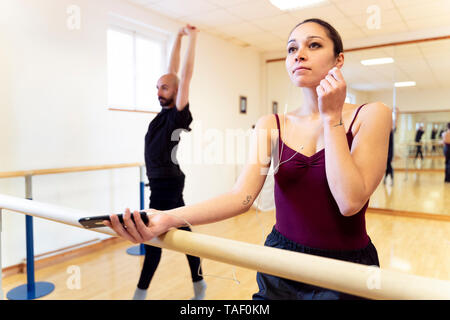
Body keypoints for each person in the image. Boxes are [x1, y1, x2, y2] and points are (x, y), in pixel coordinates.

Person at [105, 18, 392, 300]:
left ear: (338, 60)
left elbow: (349, 202)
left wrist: (331, 118)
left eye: (313, 45)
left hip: (346, 269)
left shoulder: (371, 114)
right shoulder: (271, 123)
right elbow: (241, 196)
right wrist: (168, 218)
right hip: (280, 262)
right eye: (292, 49)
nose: (299, 54)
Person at [130, 24, 206, 300]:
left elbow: (183, 76)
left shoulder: (177, 115)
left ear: (176, 92)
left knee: (153, 236)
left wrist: (193, 37)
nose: (159, 91)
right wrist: (176, 37)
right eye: (157, 87)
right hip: (164, 180)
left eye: (164, 88)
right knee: (182, 232)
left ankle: (141, 292)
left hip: (166, 183)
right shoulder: (162, 114)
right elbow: (173, 72)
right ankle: (199, 284)